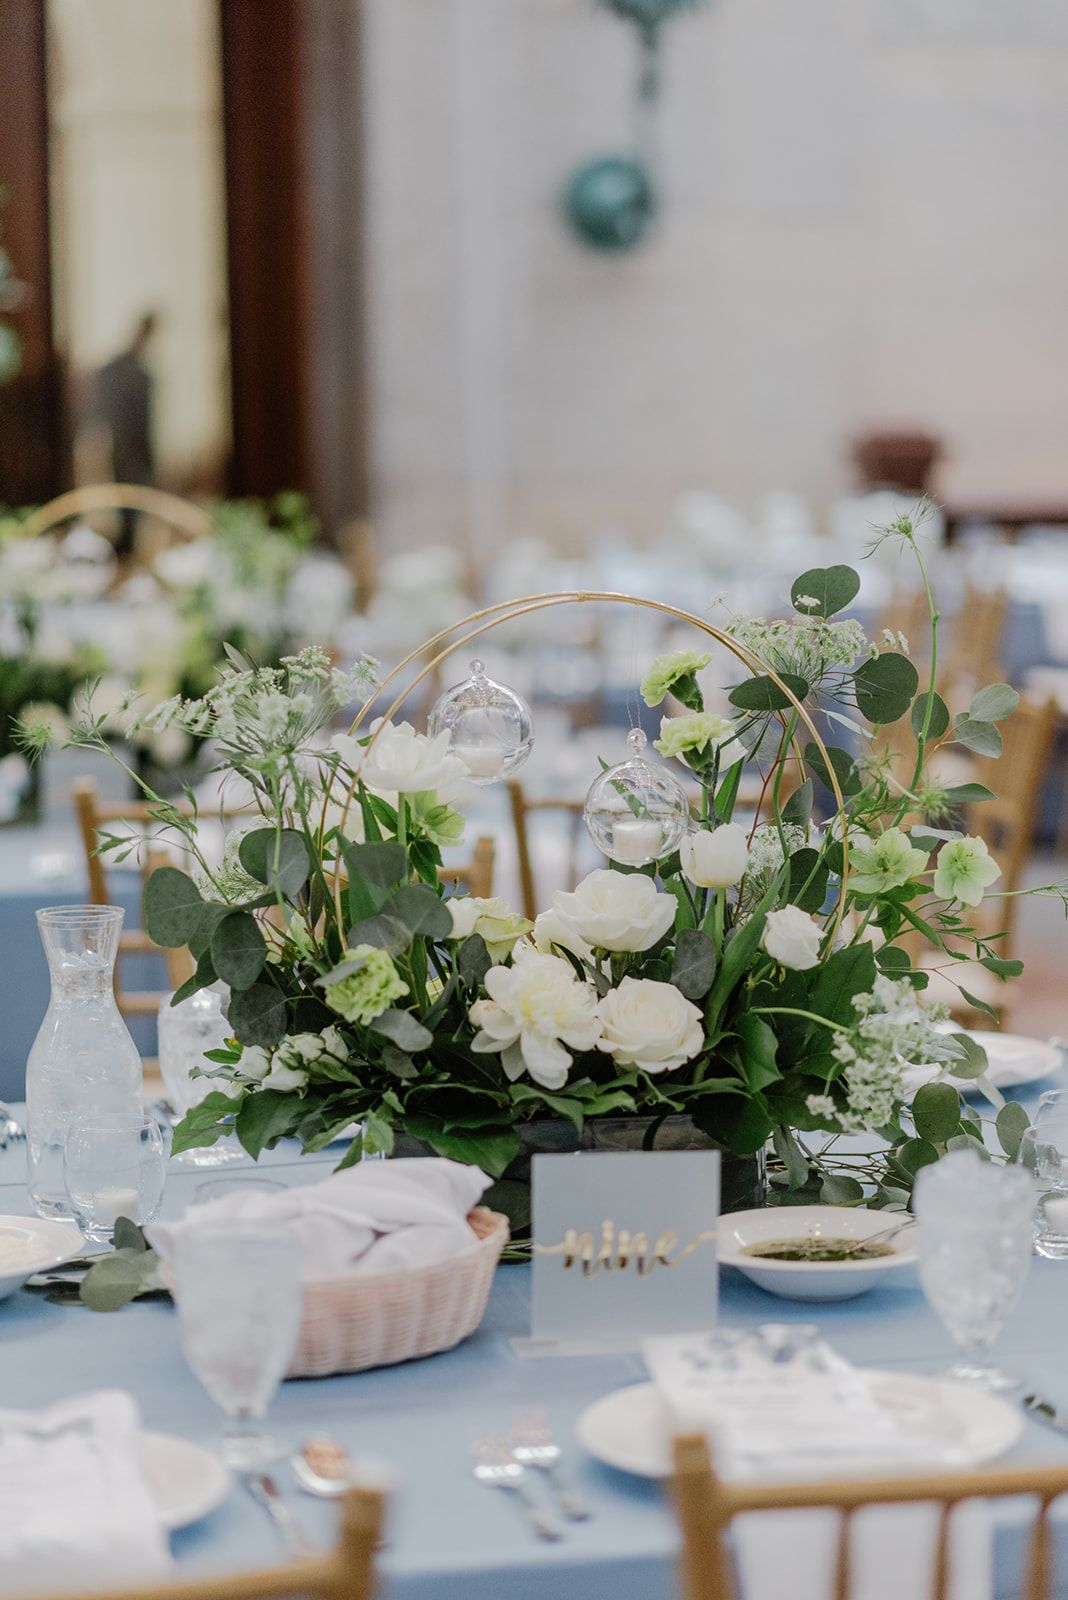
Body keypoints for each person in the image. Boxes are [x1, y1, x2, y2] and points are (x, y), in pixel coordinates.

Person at [88, 311, 159, 556]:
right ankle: (124, 549)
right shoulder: (119, 371)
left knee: (135, 504)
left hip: (134, 448)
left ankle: (128, 548)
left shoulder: (139, 373)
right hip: (125, 447)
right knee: (127, 501)